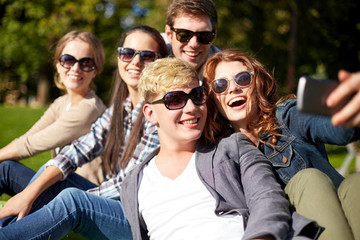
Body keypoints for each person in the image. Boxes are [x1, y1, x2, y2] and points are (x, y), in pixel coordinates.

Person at [120, 57, 321, 239]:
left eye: (197, 96)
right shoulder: (134, 184)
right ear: (150, 113)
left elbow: (266, 198)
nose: (191, 108)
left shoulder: (232, 148)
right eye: (175, 100)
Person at [0, 25, 167, 234]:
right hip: (110, 196)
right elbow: (75, 151)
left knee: (70, 198)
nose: (135, 62)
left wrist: (60, 195)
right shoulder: (120, 108)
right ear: (118, 58)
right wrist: (28, 194)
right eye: (127, 53)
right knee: (44, 171)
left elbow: (127, 185)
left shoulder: (159, 113)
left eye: (147, 56)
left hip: (135, 216)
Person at [202, 49, 360, 240]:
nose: (233, 88)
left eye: (242, 78)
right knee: (309, 179)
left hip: (341, 210)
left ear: (258, 83)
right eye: (220, 85)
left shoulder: (286, 117)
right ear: (213, 98)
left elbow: (336, 129)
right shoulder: (220, 156)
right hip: (291, 232)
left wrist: (350, 114)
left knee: (354, 183)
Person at [0, 30, 107, 183]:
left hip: (83, 193)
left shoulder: (89, 108)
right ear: (57, 64)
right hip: (62, 185)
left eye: (86, 63)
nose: (75, 68)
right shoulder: (61, 103)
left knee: (5, 169)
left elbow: (31, 146)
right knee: (6, 166)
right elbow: (27, 138)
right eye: (68, 60)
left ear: (95, 70)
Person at [164, 0, 220, 76]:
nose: (194, 44)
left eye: (204, 35)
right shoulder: (149, 55)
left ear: (213, 36)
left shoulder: (225, 74)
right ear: (169, 34)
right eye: (184, 34)